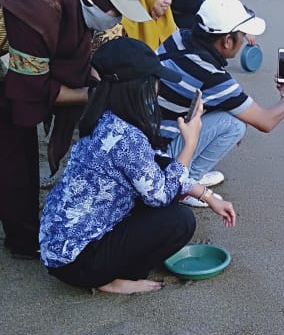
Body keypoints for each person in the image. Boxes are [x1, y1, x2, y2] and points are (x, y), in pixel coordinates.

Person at [39, 37, 236, 295]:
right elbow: (162, 195)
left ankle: (106, 270)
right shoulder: (126, 137)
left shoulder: (105, 118)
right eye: (154, 81)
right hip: (78, 262)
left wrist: (207, 196)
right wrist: (191, 142)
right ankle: (110, 279)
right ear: (137, 87)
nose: (157, 88)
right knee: (179, 220)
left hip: (57, 243)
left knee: (160, 193)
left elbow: (156, 164)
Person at [0, 0, 150, 258]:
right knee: (14, 150)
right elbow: (31, 89)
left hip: (17, 59)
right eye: (115, 9)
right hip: (11, 62)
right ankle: (24, 241)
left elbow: (78, 59)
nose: (117, 17)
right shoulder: (37, 8)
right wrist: (98, 94)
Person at [156, 0, 284, 204]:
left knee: (231, 112)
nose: (244, 39)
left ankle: (187, 174)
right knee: (235, 124)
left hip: (146, 134)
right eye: (241, 34)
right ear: (227, 40)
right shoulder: (212, 75)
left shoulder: (178, 38)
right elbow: (266, 121)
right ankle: (186, 183)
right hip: (159, 153)